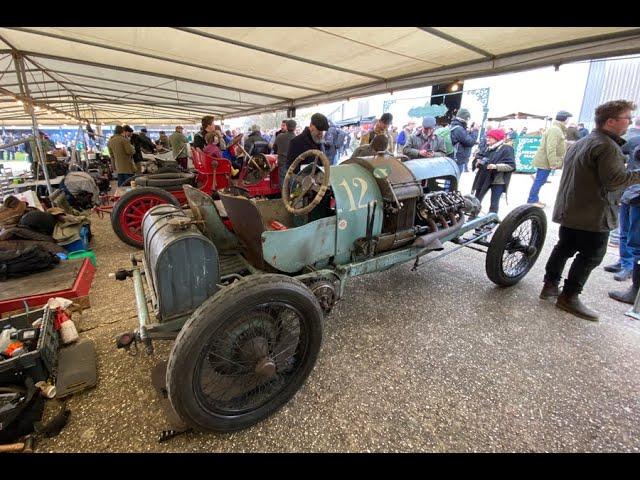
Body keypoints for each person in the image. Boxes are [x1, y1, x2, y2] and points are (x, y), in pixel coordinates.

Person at [539, 100, 639, 321]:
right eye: (627, 119)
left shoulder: (583, 141)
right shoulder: (606, 146)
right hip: (593, 214)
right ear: (611, 121)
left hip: (572, 209)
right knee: (591, 256)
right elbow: (615, 181)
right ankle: (569, 296)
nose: (629, 123)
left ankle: (550, 285)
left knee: (564, 248)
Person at [526, 110, 572, 208]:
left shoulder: (557, 129)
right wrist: (553, 162)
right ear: (565, 119)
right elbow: (551, 147)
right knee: (540, 180)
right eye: (568, 118)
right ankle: (532, 200)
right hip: (545, 161)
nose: (569, 121)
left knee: (541, 180)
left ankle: (534, 198)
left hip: (545, 160)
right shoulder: (556, 130)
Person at [470, 128, 515, 214]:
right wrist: (477, 161)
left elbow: (511, 166)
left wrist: (496, 166)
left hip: (497, 180)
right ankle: (472, 217)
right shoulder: (487, 147)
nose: (487, 139)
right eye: (487, 137)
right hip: (483, 177)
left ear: (497, 138)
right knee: (477, 200)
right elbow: (479, 156)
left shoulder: (506, 149)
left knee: (494, 203)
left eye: (490, 137)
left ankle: (491, 221)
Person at [449, 108, 479, 173]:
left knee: (451, 179)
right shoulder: (459, 129)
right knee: (454, 180)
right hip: (458, 159)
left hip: (455, 158)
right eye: (468, 119)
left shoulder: (455, 127)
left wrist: (470, 132)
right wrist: (475, 131)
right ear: (465, 118)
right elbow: (470, 142)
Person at [273, 119, 297, 187]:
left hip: (282, 162)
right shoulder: (296, 138)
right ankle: (292, 197)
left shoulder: (279, 136)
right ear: (295, 128)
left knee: (283, 182)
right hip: (293, 164)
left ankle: (284, 197)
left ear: (286, 126)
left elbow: (274, 148)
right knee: (292, 183)